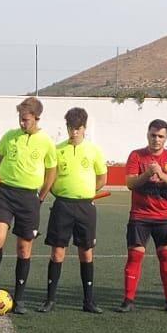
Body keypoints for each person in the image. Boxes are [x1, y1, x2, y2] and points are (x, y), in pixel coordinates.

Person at [0, 96, 55, 312]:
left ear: (37, 118)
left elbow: (51, 171)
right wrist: (4, 177)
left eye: (26, 120)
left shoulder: (46, 141)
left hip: (29, 198)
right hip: (5, 194)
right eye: (20, 119)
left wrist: (41, 196)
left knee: (24, 249)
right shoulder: (10, 136)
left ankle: (20, 298)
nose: (22, 123)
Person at [39, 107, 105, 314]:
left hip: (85, 207)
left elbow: (102, 178)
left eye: (77, 128)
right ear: (66, 128)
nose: (74, 132)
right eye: (70, 128)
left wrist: (87, 191)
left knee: (86, 253)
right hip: (62, 206)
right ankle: (50, 300)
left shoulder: (93, 150)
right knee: (57, 252)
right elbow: (48, 177)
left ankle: (89, 301)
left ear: (84, 128)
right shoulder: (57, 150)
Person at [120, 119, 167, 314]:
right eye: (153, 135)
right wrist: (147, 174)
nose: (156, 139)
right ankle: (128, 299)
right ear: (147, 134)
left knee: (166, 258)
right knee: (134, 258)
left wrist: (161, 175)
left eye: (160, 136)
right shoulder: (136, 155)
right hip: (139, 216)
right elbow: (130, 183)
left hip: (164, 217)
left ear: (166, 137)